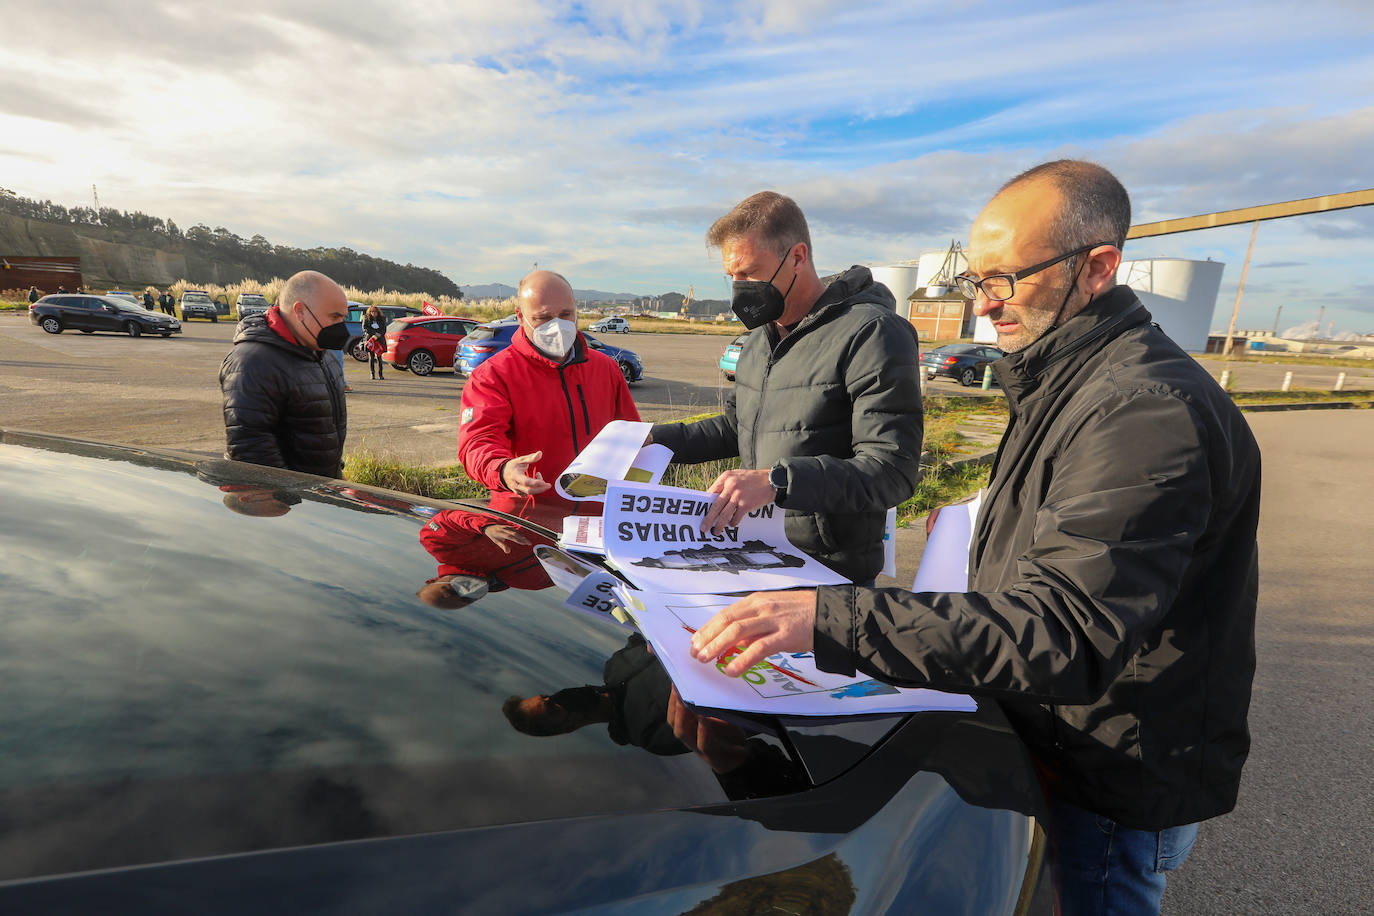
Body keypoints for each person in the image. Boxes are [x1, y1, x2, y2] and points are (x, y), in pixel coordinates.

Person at [686, 161, 1262, 916]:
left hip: (1111, 762)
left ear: (1098, 267)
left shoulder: (1141, 410)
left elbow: (1065, 629)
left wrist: (827, 616)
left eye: (1003, 281)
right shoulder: (1068, 378)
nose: (983, 306)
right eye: (976, 282)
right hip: (1059, 733)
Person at [649, 191, 923, 584]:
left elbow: (891, 470)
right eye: (732, 277)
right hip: (755, 553)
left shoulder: (872, 333)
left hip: (826, 570)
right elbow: (738, 427)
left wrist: (777, 481)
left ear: (797, 256)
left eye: (750, 273)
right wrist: (656, 441)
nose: (739, 289)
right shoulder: (760, 340)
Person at [458, 270, 639, 496]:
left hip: (598, 514)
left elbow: (632, 436)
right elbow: (478, 442)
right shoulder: (493, 376)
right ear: (521, 317)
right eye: (543, 318)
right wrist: (503, 470)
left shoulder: (606, 369)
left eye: (565, 314)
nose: (557, 326)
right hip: (526, 516)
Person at [219, 269, 349, 478]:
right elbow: (252, 450)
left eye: (343, 317)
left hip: (322, 492)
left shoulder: (321, 354)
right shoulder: (253, 362)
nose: (340, 327)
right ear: (300, 312)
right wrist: (292, 499)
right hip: (293, 502)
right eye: (334, 317)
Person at [362, 304, 388, 380]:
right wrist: (374, 333)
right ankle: (372, 373)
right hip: (371, 339)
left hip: (379, 339)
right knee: (371, 357)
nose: (374, 313)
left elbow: (384, 329)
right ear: (370, 312)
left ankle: (381, 374)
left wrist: (380, 334)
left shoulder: (382, 318)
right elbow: (364, 328)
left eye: (375, 312)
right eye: (372, 312)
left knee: (379, 357)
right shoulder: (366, 318)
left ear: (378, 312)